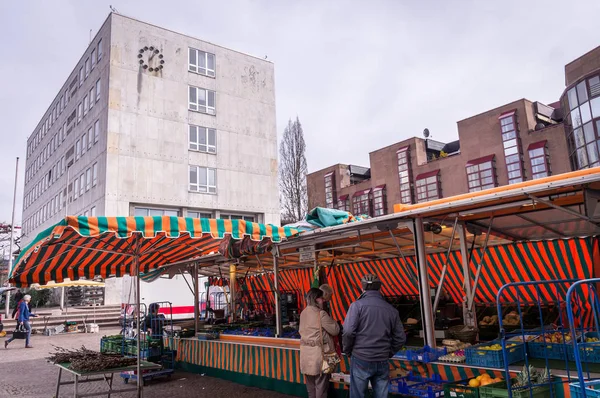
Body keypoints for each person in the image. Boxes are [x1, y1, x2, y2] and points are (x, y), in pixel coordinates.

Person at [343, 274, 406, 398]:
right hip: (382, 359)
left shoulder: (356, 306)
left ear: (362, 289)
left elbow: (348, 332)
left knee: (358, 395)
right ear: (380, 289)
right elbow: (401, 338)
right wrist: (388, 353)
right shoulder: (391, 310)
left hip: (361, 358)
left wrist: (348, 350)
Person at [299, 288, 340, 398]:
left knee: (310, 386)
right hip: (319, 355)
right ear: (316, 299)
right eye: (322, 298)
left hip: (305, 355)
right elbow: (335, 330)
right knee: (321, 387)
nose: (323, 300)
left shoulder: (303, 313)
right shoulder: (320, 314)